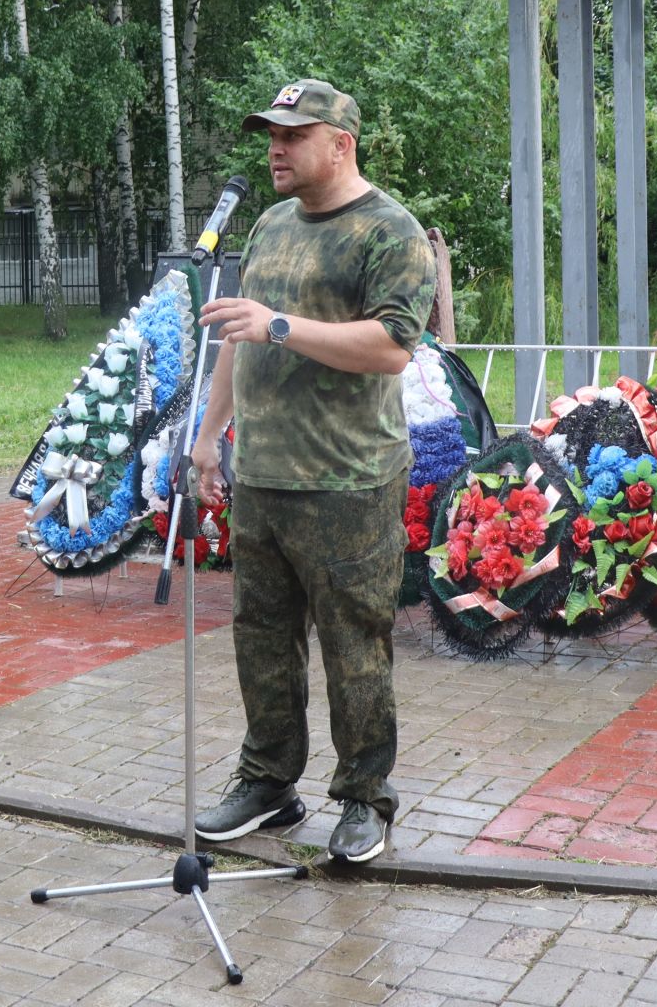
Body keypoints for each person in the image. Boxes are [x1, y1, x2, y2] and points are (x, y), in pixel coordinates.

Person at [188, 80, 433, 865]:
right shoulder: (269, 223)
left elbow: (394, 346)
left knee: (355, 647)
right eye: (271, 133)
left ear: (341, 143)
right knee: (260, 639)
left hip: (348, 481)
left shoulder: (390, 232)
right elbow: (239, 333)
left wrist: (281, 325)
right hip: (262, 476)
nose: (276, 147)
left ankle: (365, 799)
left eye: (294, 134)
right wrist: (209, 433)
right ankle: (268, 784)